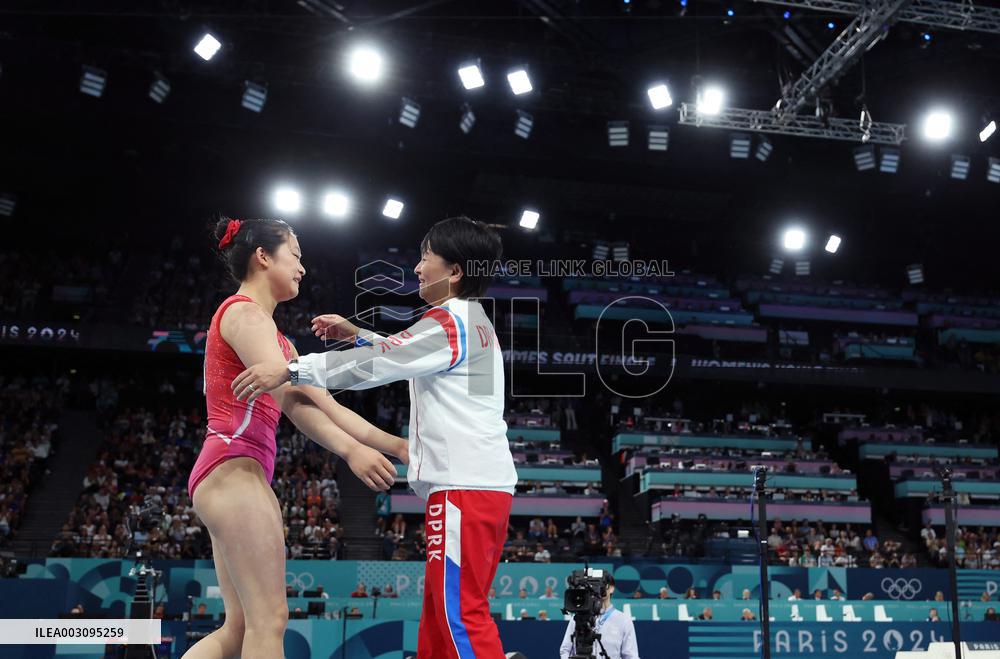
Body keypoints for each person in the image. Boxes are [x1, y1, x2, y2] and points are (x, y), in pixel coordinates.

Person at [233, 216, 518, 659]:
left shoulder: (450, 321)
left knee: (457, 615)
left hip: (466, 486)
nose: (419, 268)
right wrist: (360, 334)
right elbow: (406, 357)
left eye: (426, 257)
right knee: (438, 618)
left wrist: (291, 368)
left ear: (456, 271)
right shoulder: (473, 323)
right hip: (474, 484)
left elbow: (382, 368)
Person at [183, 217, 405, 659]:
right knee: (270, 621)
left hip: (233, 472)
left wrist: (396, 447)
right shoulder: (243, 313)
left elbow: (322, 403)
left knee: (240, 627)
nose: (303, 268)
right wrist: (351, 451)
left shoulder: (278, 340)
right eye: (296, 256)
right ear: (263, 257)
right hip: (233, 469)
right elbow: (293, 402)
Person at [559, 575, 639, 659]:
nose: (598, 588)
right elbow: (565, 650)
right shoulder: (579, 618)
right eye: (594, 585)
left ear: (611, 588)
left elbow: (631, 656)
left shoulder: (624, 620)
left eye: (602, 584)